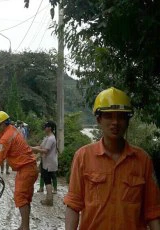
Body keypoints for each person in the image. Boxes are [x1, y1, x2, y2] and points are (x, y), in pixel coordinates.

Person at [64, 87, 160, 230]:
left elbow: (152, 211)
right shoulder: (83, 156)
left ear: (128, 121)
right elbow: (73, 204)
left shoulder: (143, 160)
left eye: (121, 116)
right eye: (109, 116)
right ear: (98, 119)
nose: (115, 122)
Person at [0, 111, 38, 230]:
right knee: (25, 198)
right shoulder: (11, 129)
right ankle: (24, 226)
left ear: (2, 124)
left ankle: (25, 227)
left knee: (21, 197)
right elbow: (7, 149)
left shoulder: (5, 137)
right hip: (30, 167)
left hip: (26, 169)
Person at [31, 120, 58, 206]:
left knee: (47, 180)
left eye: (46, 126)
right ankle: (49, 198)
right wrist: (30, 148)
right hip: (46, 162)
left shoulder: (51, 138)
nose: (44, 128)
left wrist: (33, 149)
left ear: (49, 128)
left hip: (49, 163)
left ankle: (49, 199)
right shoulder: (47, 137)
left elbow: (45, 151)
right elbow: (41, 147)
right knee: (47, 179)